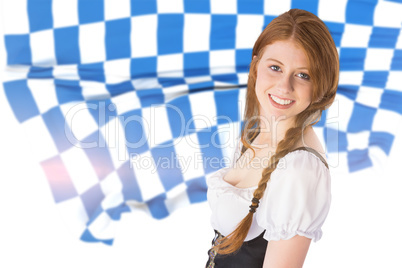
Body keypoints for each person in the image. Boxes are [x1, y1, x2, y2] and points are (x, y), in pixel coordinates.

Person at [205, 9, 339, 268]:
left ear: (321, 84)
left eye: (303, 75)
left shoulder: (299, 167)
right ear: (256, 65)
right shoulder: (255, 132)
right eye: (275, 67)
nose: (284, 87)